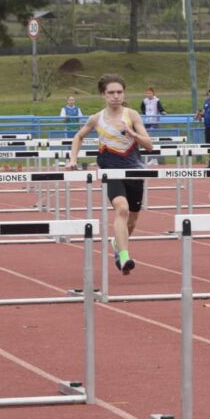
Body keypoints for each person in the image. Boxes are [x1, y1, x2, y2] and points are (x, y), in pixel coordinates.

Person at [67, 74, 153, 275]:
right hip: (110, 170)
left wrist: (133, 135)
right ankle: (124, 257)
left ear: (124, 93)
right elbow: (78, 136)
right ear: (103, 95)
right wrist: (73, 159)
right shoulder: (96, 118)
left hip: (133, 170)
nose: (116, 96)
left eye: (119, 92)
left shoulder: (132, 115)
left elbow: (149, 145)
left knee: (132, 219)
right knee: (121, 208)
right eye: (111, 93)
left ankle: (117, 244)